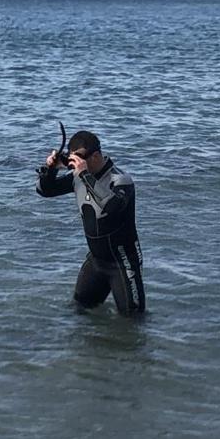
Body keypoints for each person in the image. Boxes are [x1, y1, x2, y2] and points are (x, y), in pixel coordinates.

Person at [35, 130, 145, 316]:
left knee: (133, 323)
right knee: (78, 314)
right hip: (96, 261)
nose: (75, 165)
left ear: (95, 156)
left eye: (79, 160)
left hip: (123, 263)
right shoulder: (78, 177)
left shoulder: (120, 180)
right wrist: (51, 169)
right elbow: (45, 191)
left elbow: (111, 206)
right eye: (73, 160)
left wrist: (85, 174)